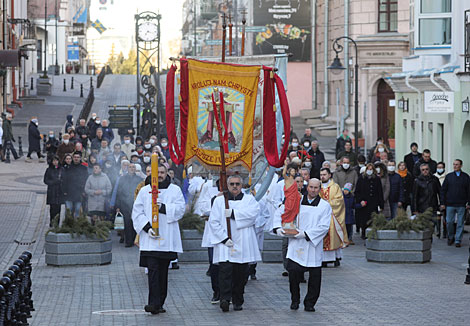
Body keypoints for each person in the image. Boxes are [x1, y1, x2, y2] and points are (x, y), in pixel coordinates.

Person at [132, 164, 185, 315]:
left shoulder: (174, 190)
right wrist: (147, 228)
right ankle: (153, 303)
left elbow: (181, 209)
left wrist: (164, 208)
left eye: (162, 172)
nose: (160, 175)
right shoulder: (144, 190)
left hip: (167, 239)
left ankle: (160, 302)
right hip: (150, 240)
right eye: (158, 172)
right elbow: (137, 212)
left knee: (162, 273)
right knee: (153, 271)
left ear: (167, 173)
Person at [273, 178, 331, 312]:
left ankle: (310, 303)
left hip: (312, 244)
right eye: (311, 187)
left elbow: (324, 226)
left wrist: (305, 234)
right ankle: (295, 299)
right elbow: (281, 212)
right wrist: (278, 228)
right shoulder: (296, 201)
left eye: (316, 188)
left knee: (315, 277)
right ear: (307, 187)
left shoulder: (324, 206)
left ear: (319, 189)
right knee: (293, 274)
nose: (313, 190)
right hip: (296, 244)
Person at [208, 174, 261, 312]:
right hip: (225, 243)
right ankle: (225, 299)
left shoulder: (249, 200)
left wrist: (233, 214)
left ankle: (238, 300)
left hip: (243, 243)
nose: (235, 187)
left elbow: (253, 215)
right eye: (232, 184)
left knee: (240, 274)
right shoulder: (220, 201)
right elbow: (213, 222)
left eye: (237, 184)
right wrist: (224, 238)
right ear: (227, 185)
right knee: (225, 272)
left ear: (241, 185)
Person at [319, 168, 348, 267]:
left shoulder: (335, 187)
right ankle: (323, 259)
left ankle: (335, 257)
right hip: (321, 216)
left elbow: (339, 201)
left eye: (324, 174)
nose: (322, 176)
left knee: (333, 235)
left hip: (332, 215)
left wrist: (327, 204)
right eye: (321, 174)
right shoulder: (318, 186)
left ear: (329, 175)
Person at [440, 159, 470, 247]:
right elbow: (443, 190)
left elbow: (469, 191)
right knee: (449, 222)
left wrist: (469, 203)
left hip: (461, 204)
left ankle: (458, 240)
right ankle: (450, 237)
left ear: (461, 165)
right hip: (450, 204)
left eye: (457, 164)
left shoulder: (465, 177)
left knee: (460, 223)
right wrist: (442, 203)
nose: (455, 166)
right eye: (454, 164)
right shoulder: (449, 177)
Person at [115, 163, 142, 247]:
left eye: (133, 167)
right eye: (130, 167)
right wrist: (118, 206)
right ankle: (128, 241)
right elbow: (118, 192)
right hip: (124, 203)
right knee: (127, 223)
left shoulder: (139, 179)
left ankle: (135, 240)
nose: (131, 168)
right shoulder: (122, 179)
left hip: (135, 203)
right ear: (127, 168)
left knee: (135, 222)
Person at [355, 164, 384, 239]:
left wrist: (381, 205)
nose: (369, 171)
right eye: (368, 169)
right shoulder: (361, 178)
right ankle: (364, 233)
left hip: (373, 203)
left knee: (373, 219)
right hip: (364, 203)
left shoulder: (377, 179)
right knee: (364, 219)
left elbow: (379, 192)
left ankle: (372, 233)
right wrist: (360, 201)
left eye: (371, 169)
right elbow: (357, 191)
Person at [411, 163, 441, 229]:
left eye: (426, 169)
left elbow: (440, 192)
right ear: (420, 171)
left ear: (429, 169)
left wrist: (441, 204)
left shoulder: (434, 179)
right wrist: (415, 209)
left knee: (433, 225)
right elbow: (415, 196)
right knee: (424, 226)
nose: (425, 171)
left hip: (433, 206)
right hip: (422, 207)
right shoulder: (417, 181)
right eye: (423, 170)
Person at [62, 152, 89, 218]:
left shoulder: (84, 168)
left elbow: (86, 180)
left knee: (78, 210)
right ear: (72, 158)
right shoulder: (68, 168)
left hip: (79, 193)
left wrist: (84, 191)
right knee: (69, 210)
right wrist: (64, 191)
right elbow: (64, 180)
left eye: (78, 157)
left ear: (80, 158)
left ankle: (76, 225)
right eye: (75, 157)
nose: (76, 159)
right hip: (69, 192)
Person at [43, 155, 64, 226]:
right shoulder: (49, 170)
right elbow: (45, 180)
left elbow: (64, 179)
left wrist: (60, 182)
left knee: (58, 208)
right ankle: (52, 221)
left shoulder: (61, 169)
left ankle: (57, 222)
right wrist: (53, 182)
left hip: (59, 191)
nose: (55, 162)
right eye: (54, 161)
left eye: (56, 161)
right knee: (52, 208)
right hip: (52, 191)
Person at [281, 160, 302, 231]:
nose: (293, 172)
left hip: (295, 198)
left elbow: (295, 190)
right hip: (289, 198)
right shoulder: (287, 179)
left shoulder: (294, 181)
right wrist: (286, 165)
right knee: (288, 209)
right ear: (289, 172)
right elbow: (283, 173)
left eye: (294, 171)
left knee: (294, 210)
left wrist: (298, 194)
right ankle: (284, 221)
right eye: (292, 171)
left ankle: (291, 222)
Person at [434, 162, 447, 238]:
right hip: (436, 199)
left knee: (445, 217)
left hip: (445, 199)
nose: (439, 169)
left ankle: (445, 232)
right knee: (437, 216)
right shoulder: (434, 177)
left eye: (441, 167)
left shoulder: (447, 176)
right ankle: (438, 231)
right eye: (438, 167)